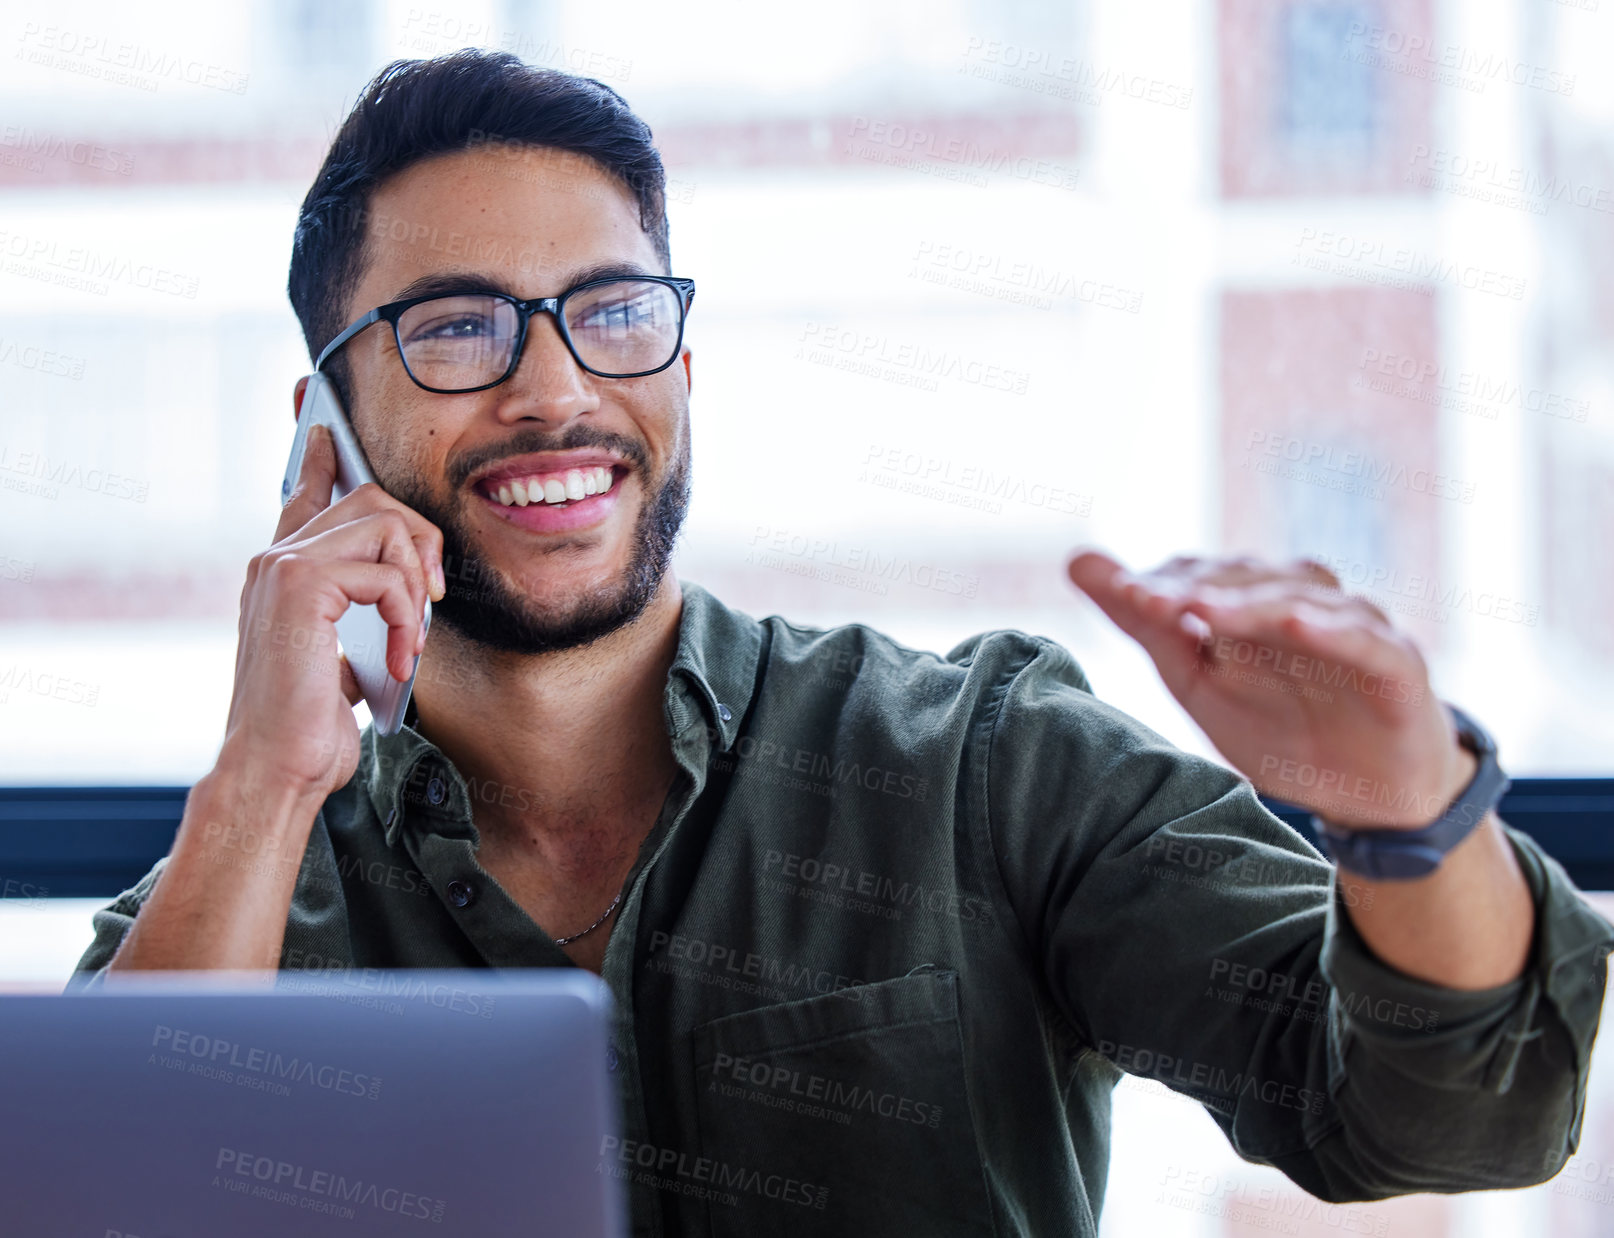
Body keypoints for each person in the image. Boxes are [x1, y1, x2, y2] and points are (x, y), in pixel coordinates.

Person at [72, 48, 1614, 1237]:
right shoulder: (241, 899)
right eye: (458, 328)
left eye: (612, 311)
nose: (556, 391)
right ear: (321, 436)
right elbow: (96, 1201)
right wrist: (265, 778)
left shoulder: (981, 766)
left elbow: (1449, 1123)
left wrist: (1413, 817)